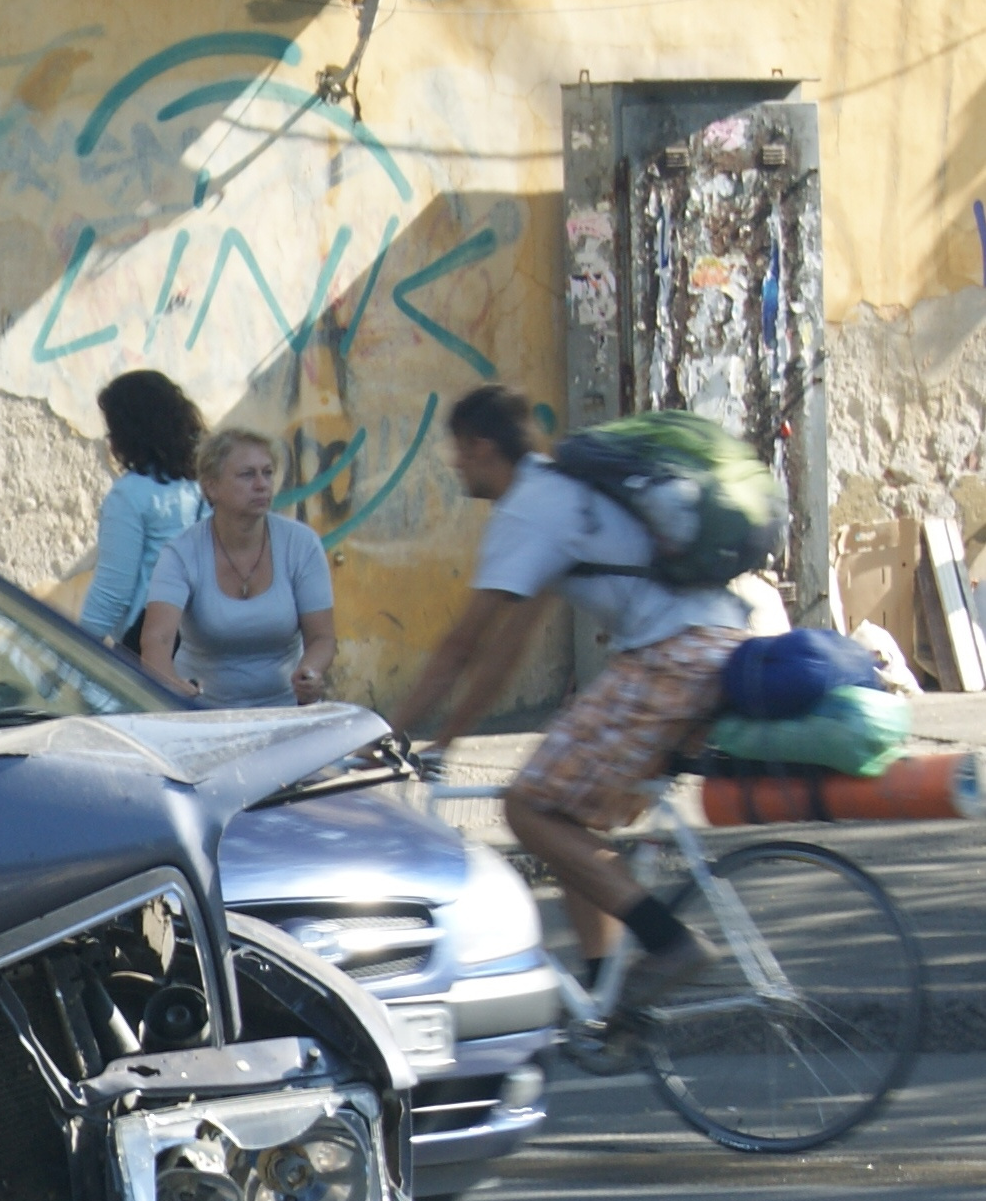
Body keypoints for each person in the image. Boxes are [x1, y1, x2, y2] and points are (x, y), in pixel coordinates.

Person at [389, 386, 750, 1002]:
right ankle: (604, 998)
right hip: (709, 644)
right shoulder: (561, 491)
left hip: (670, 656)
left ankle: (670, 942)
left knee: (526, 809)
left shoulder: (529, 508)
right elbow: (507, 650)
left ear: (480, 446)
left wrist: (388, 737)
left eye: (455, 451)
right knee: (562, 813)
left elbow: (463, 645)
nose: (453, 465)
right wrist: (445, 738)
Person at [139, 426, 336, 707]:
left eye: (267, 473)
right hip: (205, 713)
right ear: (211, 486)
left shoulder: (302, 544)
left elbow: (323, 637)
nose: (262, 484)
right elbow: (156, 641)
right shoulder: (181, 553)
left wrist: (311, 673)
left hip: (286, 711)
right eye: (247, 475)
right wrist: (174, 690)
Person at [78, 370, 207, 649]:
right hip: (203, 640)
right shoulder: (203, 485)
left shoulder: (130, 495)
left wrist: (71, 656)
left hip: (151, 641)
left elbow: (113, 592)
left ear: (128, 433)